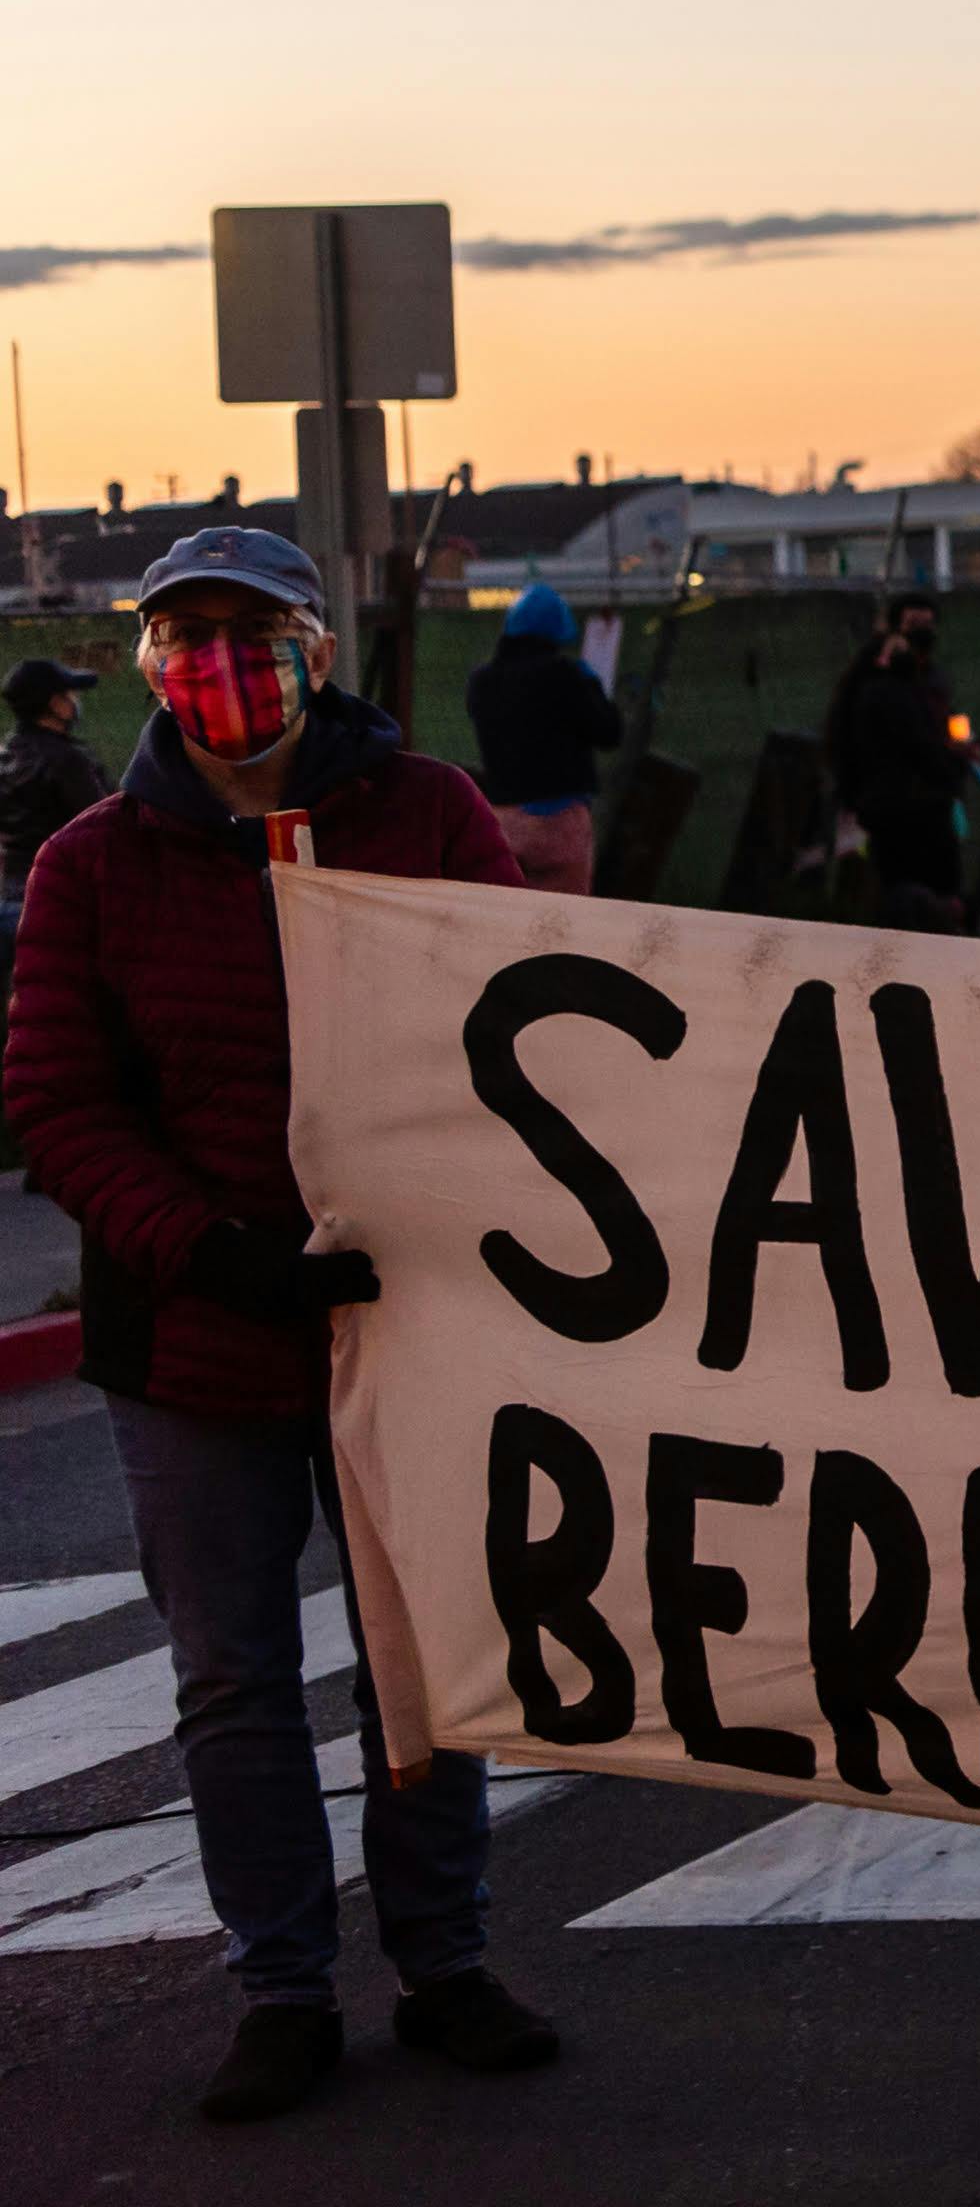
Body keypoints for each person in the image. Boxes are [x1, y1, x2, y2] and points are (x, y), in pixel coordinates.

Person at [0, 527, 558, 2124]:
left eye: (251, 638)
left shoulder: (427, 813)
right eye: (185, 642)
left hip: (401, 1315)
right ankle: (283, 1987)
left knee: (420, 1665)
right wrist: (213, 1247)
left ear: (314, 648)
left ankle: (444, 1962)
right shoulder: (94, 863)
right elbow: (57, 1096)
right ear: (149, 666)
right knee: (234, 1677)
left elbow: (513, 1024)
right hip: (193, 1336)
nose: (220, 672)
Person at [457, 587, 621, 897]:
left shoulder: (482, 681)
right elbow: (609, 732)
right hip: (560, 822)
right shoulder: (566, 676)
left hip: (503, 823)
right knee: (563, 924)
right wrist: (593, 686)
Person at [822, 593, 968, 909]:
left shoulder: (930, 679)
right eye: (914, 624)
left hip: (922, 803)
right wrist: (951, 768)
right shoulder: (882, 686)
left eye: (928, 624)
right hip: (899, 806)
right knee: (914, 893)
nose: (922, 633)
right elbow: (916, 743)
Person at [0, 654, 103, 1017]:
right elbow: (102, 829)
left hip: (11, 897)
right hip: (59, 903)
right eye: (68, 694)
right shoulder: (68, 761)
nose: (74, 702)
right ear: (53, 704)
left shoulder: (7, 755)